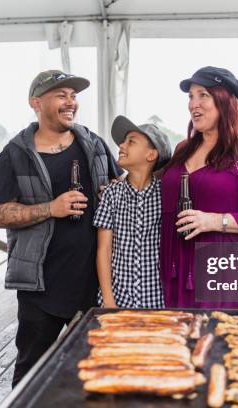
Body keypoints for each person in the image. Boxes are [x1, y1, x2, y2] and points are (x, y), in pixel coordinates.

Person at [0, 70, 122, 388]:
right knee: (31, 373)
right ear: (36, 102)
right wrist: (52, 208)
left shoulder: (95, 145)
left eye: (73, 96)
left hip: (94, 285)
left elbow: (119, 184)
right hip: (40, 287)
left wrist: (113, 192)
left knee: (97, 371)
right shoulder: (13, 156)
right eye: (62, 95)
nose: (71, 102)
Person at [160, 66, 238, 309]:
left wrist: (214, 221)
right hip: (176, 273)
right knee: (183, 344)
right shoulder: (182, 149)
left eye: (203, 95)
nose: (193, 104)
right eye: (191, 96)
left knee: (226, 344)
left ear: (225, 101)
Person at [93, 116, 172, 309]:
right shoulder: (111, 194)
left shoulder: (166, 196)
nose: (121, 145)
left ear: (151, 155)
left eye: (131, 141)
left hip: (158, 302)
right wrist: (108, 299)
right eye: (123, 141)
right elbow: (104, 250)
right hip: (119, 300)